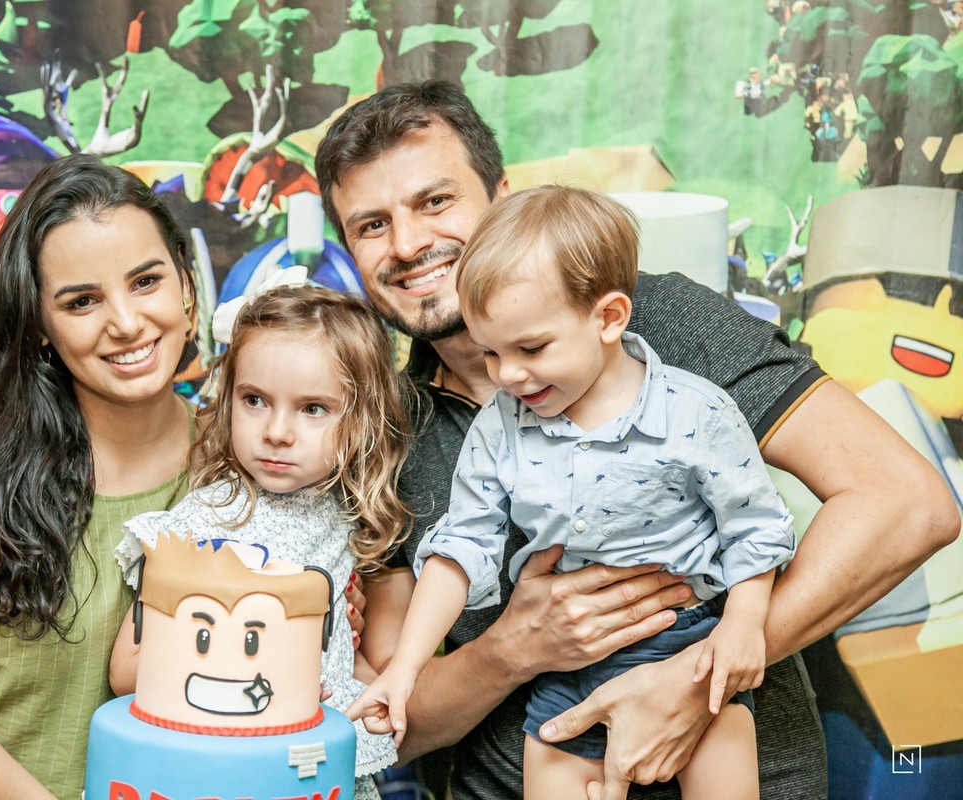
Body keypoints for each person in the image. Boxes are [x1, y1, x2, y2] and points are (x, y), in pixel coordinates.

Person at [313, 80, 959, 800]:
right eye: (371, 225)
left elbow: (906, 503)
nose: (407, 244)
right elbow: (394, 721)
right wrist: (511, 651)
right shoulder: (382, 425)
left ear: (502, 197)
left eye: (435, 202)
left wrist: (693, 682)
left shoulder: (659, 323)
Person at [351, 186, 795, 800]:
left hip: (692, 650)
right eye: (490, 352)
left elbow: (755, 528)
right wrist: (404, 669)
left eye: (531, 348)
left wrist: (744, 624)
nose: (508, 374)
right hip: (565, 678)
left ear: (608, 318)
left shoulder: (696, 412)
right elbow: (460, 548)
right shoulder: (500, 426)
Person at [0, 154, 200, 799]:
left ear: (185, 286)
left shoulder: (238, 463)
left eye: (145, 282)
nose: (126, 323)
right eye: (82, 301)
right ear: (41, 326)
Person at [108, 284, 409, 800]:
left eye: (313, 408)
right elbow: (127, 671)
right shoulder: (204, 522)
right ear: (228, 399)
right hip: (228, 775)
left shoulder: (341, 517)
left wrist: (362, 684)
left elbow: (339, 654)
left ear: (362, 419)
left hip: (319, 771)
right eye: (255, 401)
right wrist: (269, 680)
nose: (277, 432)